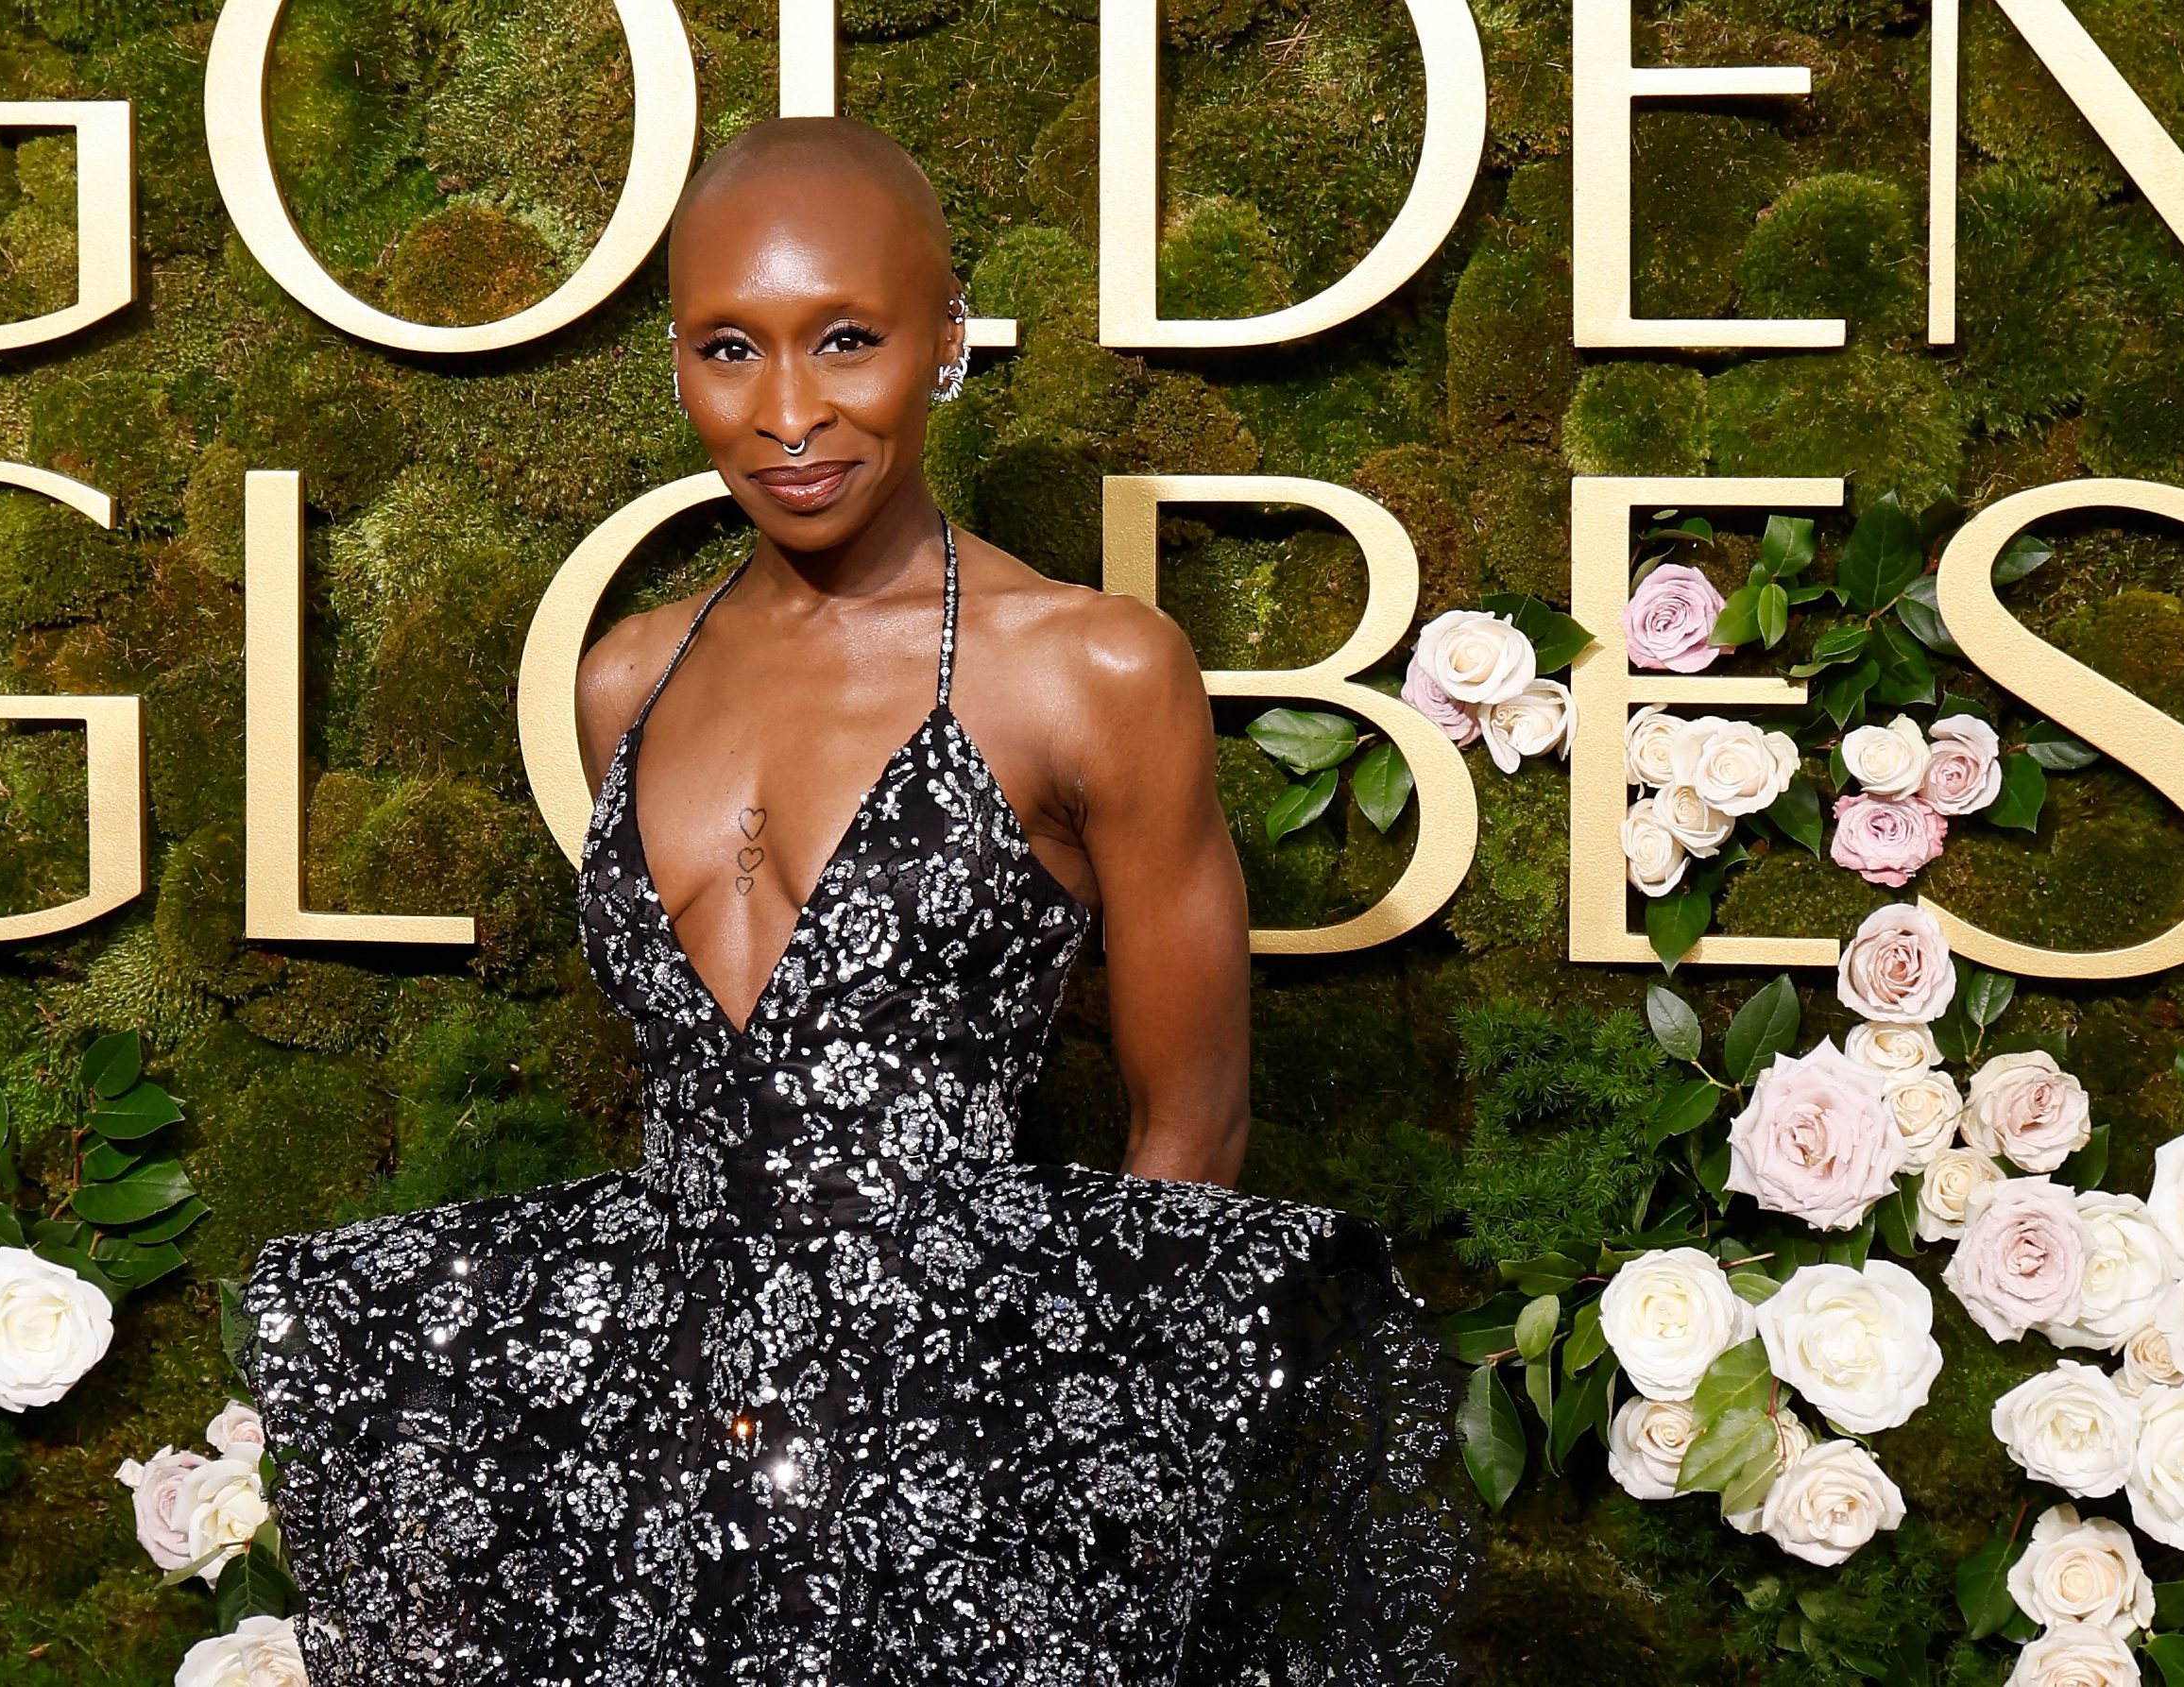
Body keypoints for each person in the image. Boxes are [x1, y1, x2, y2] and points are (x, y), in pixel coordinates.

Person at [243, 115, 1476, 1686]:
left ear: (946, 339)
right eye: (728, 350)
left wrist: (1091, 1521)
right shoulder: (627, 675)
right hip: (655, 1445)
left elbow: (1192, 1147)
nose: (789, 413)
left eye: (846, 340)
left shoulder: (1087, 668)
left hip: (966, 1446)